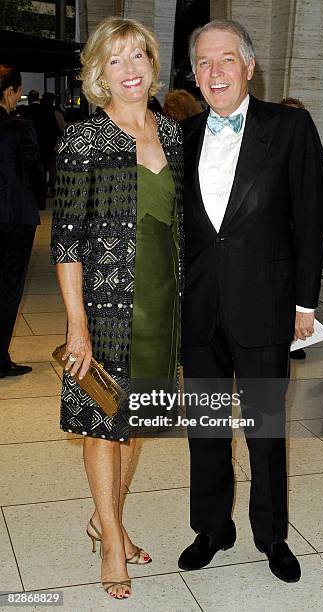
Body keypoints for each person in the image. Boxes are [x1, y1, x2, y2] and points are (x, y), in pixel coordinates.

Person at [178, 20, 323, 583]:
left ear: (248, 66)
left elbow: (311, 217)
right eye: (202, 63)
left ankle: (272, 535)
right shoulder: (184, 134)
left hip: (265, 305)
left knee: (265, 429)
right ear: (193, 73)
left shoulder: (290, 127)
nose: (213, 73)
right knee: (206, 429)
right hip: (198, 308)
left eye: (224, 61)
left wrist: (305, 302)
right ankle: (212, 528)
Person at [50, 17, 183, 600]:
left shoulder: (175, 135)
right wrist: (76, 326)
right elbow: (67, 242)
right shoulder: (82, 141)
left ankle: (106, 518)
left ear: (153, 65)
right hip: (106, 307)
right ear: (99, 73)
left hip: (164, 304)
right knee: (103, 426)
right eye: (115, 60)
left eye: (138, 57)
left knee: (136, 425)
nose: (130, 70)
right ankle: (111, 540)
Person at [281, 97, 323, 360]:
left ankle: (295, 339)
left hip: (303, 236)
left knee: (300, 283)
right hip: (278, 237)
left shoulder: (312, 155)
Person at [0, 65, 44, 378]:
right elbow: (34, 171)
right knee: (8, 287)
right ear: (11, 91)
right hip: (14, 216)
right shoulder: (19, 128)